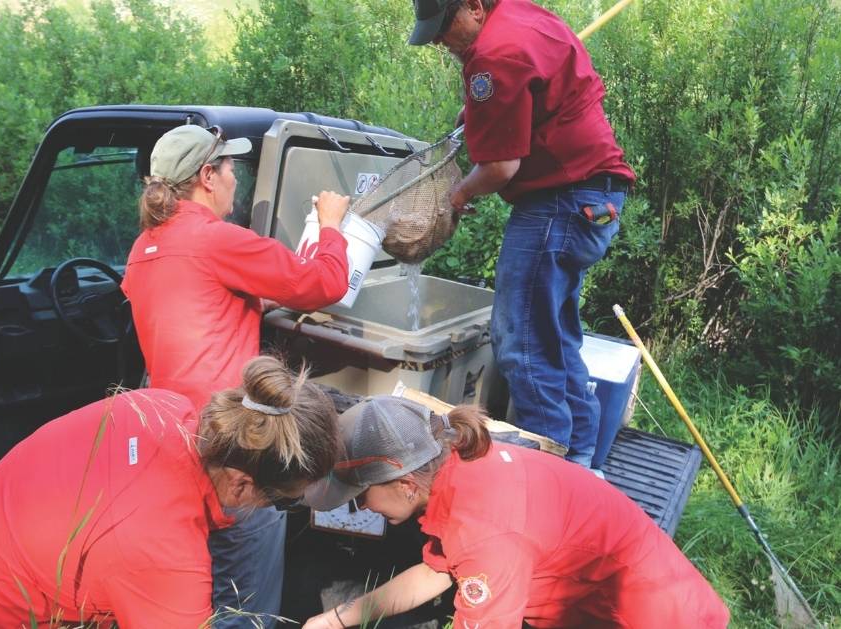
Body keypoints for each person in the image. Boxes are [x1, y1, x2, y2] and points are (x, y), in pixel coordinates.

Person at [0, 356, 339, 628]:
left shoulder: (157, 404)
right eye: (281, 500)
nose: (274, 509)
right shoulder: (168, 558)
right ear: (242, 483)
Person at [121, 124, 352, 623]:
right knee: (246, 592)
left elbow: (197, 303)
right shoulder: (217, 240)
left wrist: (248, 297)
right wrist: (331, 225)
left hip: (172, 441)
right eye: (229, 169)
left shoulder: (144, 248)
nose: (234, 181)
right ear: (207, 176)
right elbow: (325, 282)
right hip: (238, 446)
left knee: (196, 580)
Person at [409, 0, 637, 468]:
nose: (437, 40)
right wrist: (480, 111)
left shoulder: (491, 55)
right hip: (598, 200)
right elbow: (533, 96)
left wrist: (455, 197)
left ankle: (548, 469)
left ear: (473, 6)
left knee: (522, 343)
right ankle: (580, 458)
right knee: (554, 335)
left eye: (441, 27)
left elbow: (498, 167)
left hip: (559, 202)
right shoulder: (521, 15)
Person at [301, 396, 730, 628]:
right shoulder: (461, 469)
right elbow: (439, 571)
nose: (361, 508)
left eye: (360, 496)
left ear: (406, 483)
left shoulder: (487, 533)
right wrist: (339, 619)